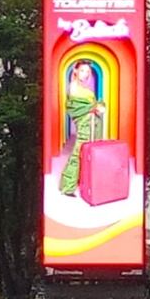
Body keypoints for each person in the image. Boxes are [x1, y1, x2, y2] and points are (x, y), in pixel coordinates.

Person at [59, 59, 106, 196]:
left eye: (87, 72)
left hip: (91, 123)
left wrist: (97, 107)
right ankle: (67, 186)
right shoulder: (74, 87)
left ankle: (81, 181)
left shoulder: (82, 88)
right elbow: (77, 108)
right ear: (75, 71)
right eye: (82, 71)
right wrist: (96, 106)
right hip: (85, 124)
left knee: (86, 152)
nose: (85, 74)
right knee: (78, 152)